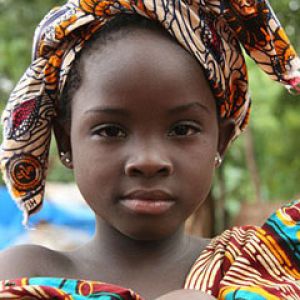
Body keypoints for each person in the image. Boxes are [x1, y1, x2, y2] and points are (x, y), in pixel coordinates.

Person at [0, 0, 299, 299]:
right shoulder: (26, 275)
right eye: (110, 131)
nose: (148, 161)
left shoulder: (264, 267)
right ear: (66, 142)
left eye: (182, 130)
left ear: (220, 141)